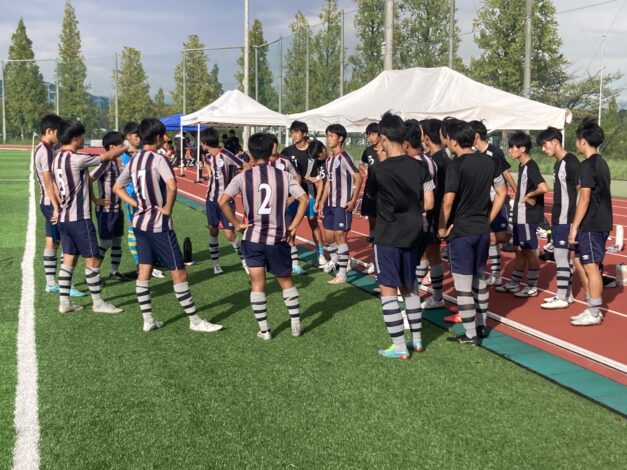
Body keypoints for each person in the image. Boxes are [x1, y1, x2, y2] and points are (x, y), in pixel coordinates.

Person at [113, 118, 223, 333]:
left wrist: (137, 204)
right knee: (179, 272)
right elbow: (172, 186)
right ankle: (195, 321)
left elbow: (118, 187)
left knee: (144, 270)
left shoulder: (134, 160)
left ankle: (148, 319)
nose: (166, 139)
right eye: (163, 135)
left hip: (139, 223)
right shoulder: (158, 159)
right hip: (159, 226)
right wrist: (166, 209)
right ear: (156, 137)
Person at [219, 133, 309, 340]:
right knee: (286, 281)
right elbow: (303, 199)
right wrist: (293, 226)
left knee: (257, 284)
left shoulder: (243, 176)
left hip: (253, 238)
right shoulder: (283, 175)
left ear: (250, 153)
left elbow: (223, 201)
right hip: (277, 239)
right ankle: (296, 325)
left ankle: (265, 330)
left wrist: (236, 224)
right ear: (272, 152)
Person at [366, 112, 434, 359]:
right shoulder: (420, 166)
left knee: (388, 289)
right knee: (410, 287)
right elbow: (429, 202)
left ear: (383, 138)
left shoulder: (378, 170)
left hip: (387, 235)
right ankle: (416, 340)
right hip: (413, 233)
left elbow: (372, 197)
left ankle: (398, 346)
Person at [439, 118, 507, 344]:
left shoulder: (455, 165)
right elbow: (502, 192)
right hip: (481, 230)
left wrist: (441, 227)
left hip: (462, 231)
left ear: (455, 140)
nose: (446, 142)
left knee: (463, 284)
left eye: (448, 138)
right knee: (479, 278)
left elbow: (448, 202)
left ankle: (469, 334)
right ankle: (481, 326)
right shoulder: (488, 162)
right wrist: (488, 218)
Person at [51, 119, 126, 314]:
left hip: (64, 219)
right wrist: (127, 146)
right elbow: (108, 155)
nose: (84, 138)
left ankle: (64, 303)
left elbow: (78, 182)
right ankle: (98, 302)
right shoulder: (77, 158)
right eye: (83, 135)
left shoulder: (57, 158)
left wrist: (91, 199)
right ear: (75, 138)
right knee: (92, 260)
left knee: (69, 260)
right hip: (79, 219)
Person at [35, 114, 85, 297]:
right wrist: (57, 206)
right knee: (68, 243)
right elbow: (50, 182)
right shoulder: (45, 152)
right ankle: (65, 284)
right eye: (58, 132)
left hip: (47, 202)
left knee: (52, 240)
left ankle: (51, 283)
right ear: (49, 131)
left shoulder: (45, 148)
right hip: (52, 203)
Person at [568, 118, 612, 326]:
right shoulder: (601, 163)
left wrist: (574, 227)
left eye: (577, 140)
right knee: (580, 261)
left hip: (592, 223)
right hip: (598, 220)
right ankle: (591, 305)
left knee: (592, 266)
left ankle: (594, 312)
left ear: (583, 141)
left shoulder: (587, 165)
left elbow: (585, 198)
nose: (576, 143)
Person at [496, 132, 548, 297]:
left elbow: (543, 187)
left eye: (512, 147)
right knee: (519, 249)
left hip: (527, 216)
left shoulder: (531, 166)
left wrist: (528, 196)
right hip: (520, 215)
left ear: (522, 148)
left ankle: (532, 286)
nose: (509, 150)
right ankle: (514, 282)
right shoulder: (522, 165)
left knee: (529, 250)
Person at [470, 120, 517, 286]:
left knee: (501, 236)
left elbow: (505, 172)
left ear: (476, 135)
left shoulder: (494, 152)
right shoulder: (474, 154)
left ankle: (515, 234)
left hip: (496, 199)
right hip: (484, 202)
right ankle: (496, 274)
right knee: (490, 237)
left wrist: (516, 191)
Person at [537, 127, 580, 309]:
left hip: (566, 217)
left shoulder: (571, 162)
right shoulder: (557, 164)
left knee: (561, 255)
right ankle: (567, 293)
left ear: (556, 141)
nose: (543, 149)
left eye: (545, 145)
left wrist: (575, 221)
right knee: (562, 256)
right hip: (558, 216)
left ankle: (561, 296)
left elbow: (580, 192)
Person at [316, 124, 363, 284]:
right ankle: (346, 262)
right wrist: (322, 201)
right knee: (328, 238)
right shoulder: (329, 159)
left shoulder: (344, 157)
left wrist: (353, 199)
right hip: (330, 204)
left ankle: (342, 274)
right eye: (327, 135)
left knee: (340, 236)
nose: (329, 139)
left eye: (332, 135)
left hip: (342, 204)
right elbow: (328, 182)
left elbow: (358, 177)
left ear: (340, 138)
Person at [199, 127, 248, 275]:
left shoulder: (226, 154)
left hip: (226, 201)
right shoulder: (206, 157)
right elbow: (209, 173)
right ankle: (216, 265)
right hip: (211, 199)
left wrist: (237, 183)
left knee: (229, 233)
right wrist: (206, 176)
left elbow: (245, 166)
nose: (201, 145)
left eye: (202, 142)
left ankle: (245, 261)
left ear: (206, 142)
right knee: (213, 230)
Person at [120, 122, 165, 279]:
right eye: (135, 136)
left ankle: (151, 260)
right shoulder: (126, 155)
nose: (138, 138)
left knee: (149, 227)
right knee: (135, 230)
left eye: (139, 135)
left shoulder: (137, 153)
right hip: (134, 196)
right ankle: (141, 264)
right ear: (127, 137)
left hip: (146, 197)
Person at [281, 121, 326, 268]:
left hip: (311, 193)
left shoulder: (314, 149)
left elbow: (323, 174)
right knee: (291, 225)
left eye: (296, 132)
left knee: (313, 222)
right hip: (293, 195)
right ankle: (293, 261)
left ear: (304, 133)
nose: (293, 135)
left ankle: (320, 255)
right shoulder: (287, 152)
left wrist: (319, 195)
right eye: (292, 132)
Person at [89, 131, 130, 281]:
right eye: (121, 145)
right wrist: (95, 199)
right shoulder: (105, 163)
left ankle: (114, 271)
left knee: (117, 241)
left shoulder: (117, 163)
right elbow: (88, 179)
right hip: (106, 211)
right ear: (112, 147)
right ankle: (93, 274)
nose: (123, 147)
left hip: (117, 210)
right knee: (105, 243)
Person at [417, 118, 448, 309]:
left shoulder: (433, 161)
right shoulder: (443, 158)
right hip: (439, 214)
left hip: (433, 215)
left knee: (425, 254)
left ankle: (415, 292)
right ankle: (436, 295)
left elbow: (436, 193)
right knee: (432, 254)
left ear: (426, 137)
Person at [269, 135, 304, 273]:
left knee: (289, 232)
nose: (273, 148)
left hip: (284, 205)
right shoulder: (263, 162)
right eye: (270, 145)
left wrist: (293, 194)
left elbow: (297, 176)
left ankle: (294, 263)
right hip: (269, 206)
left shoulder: (285, 161)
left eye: (275, 145)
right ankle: (272, 260)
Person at [359, 123, 383, 274]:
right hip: (370, 193)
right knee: (373, 226)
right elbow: (361, 164)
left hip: (384, 193)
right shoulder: (368, 151)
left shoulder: (386, 150)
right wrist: (366, 170)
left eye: (373, 134)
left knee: (384, 227)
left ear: (380, 135)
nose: (370, 138)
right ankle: (374, 260)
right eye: (368, 135)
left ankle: (381, 260)